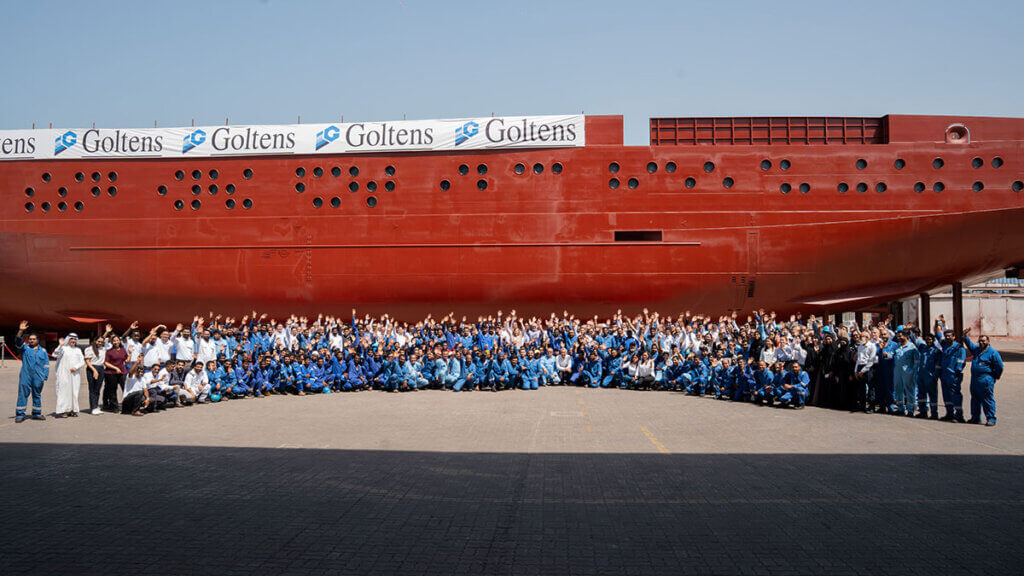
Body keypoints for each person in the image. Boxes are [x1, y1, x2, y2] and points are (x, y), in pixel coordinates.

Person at [963, 329, 1003, 427]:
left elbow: (999, 366)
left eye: (983, 341)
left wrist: (994, 377)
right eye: (980, 341)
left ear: (988, 341)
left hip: (985, 380)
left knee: (987, 399)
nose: (981, 343)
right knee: (975, 399)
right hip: (975, 380)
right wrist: (964, 335)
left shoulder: (993, 353)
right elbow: (969, 344)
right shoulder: (977, 350)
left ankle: (991, 418)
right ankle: (975, 418)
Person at [14, 321, 49, 423]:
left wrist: (44, 376)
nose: (31, 341)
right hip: (26, 375)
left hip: (38, 376)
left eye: (34, 339)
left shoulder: (43, 351)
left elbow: (46, 365)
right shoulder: (25, 349)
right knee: (23, 394)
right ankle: (20, 414)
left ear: (38, 340)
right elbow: (17, 341)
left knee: (37, 394)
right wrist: (21, 331)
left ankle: (36, 413)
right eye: (30, 339)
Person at [938, 329, 967, 423]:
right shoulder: (945, 345)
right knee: (946, 395)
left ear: (954, 336)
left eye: (949, 336)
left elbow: (961, 361)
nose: (947, 337)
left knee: (955, 395)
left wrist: (957, 371)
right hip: (944, 375)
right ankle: (949, 413)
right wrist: (938, 322)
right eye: (946, 336)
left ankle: (959, 415)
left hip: (953, 375)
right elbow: (938, 334)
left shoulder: (959, 348)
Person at [53, 333, 85, 418]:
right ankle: (63, 411)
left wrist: (76, 367)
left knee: (74, 392)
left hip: (74, 374)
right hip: (64, 374)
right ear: (68, 339)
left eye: (75, 339)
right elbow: (55, 355)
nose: (73, 341)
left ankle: (72, 410)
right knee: (63, 392)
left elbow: (82, 361)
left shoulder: (78, 350)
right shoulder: (63, 348)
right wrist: (60, 345)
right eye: (71, 339)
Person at [103, 335, 128, 412]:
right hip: (111, 373)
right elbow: (106, 363)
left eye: (117, 340)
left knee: (125, 388)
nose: (116, 342)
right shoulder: (109, 351)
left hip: (122, 372)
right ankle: (114, 406)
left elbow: (126, 360)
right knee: (112, 390)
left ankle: (127, 405)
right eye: (114, 341)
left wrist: (130, 353)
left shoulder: (123, 350)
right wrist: (115, 368)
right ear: (111, 342)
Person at [84, 336, 107, 415]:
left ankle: (96, 406)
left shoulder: (103, 349)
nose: (100, 343)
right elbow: (87, 361)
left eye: (101, 342)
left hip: (101, 368)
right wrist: (94, 371)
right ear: (95, 341)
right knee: (92, 389)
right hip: (92, 368)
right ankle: (93, 407)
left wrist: (107, 332)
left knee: (98, 389)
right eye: (98, 341)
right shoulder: (89, 349)